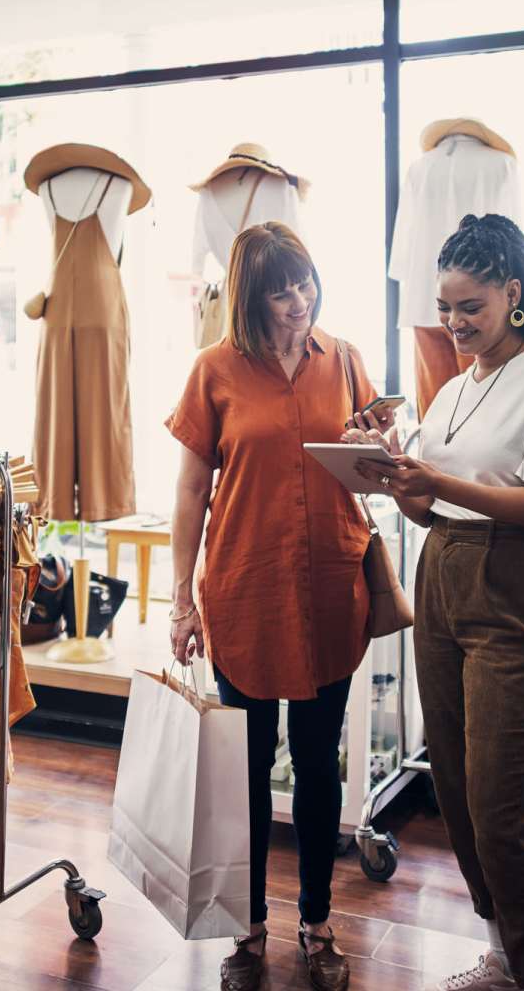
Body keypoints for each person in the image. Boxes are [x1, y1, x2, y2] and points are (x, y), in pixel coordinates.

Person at [346, 213, 524, 991]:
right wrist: (391, 470)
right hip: (444, 575)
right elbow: (431, 510)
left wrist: (439, 484)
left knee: (499, 805)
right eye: (446, 307)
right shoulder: (456, 387)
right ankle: (502, 950)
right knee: (454, 788)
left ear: (512, 294)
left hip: (521, 586)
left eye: (472, 307)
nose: (455, 324)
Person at [166, 221, 393, 991]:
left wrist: (378, 446)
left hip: (332, 585)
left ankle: (319, 921)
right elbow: (192, 493)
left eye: (304, 283)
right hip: (246, 589)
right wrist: (180, 603)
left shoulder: (348, 360)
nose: (297, 302)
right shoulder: (214, 370)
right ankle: (250, 926)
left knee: (321, 762)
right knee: (249, 767)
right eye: (278, 290)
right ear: (250, 296)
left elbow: (373, 476)